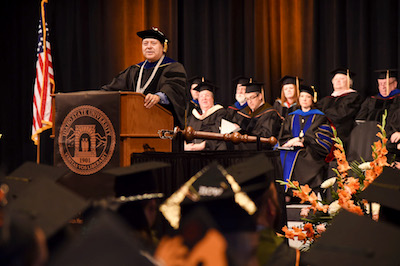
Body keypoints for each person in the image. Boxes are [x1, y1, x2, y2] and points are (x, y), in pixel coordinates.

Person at [101, 27, 187, 128]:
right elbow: (113, 88)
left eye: (153, 43)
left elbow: (174, 88)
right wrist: (97, 97)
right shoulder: (134, 70)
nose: (148, 47)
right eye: (145, 43)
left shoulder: (173, 67)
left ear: (163, 47)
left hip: (161, 127)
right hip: (134, 125)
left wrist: (159, 97)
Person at [279, 85, 334, 197]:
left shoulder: (320, 117)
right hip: (292, 148)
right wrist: (291, 141)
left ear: (312, 99)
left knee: (301, 157)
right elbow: (284, 135)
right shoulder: (291, 116)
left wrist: (303, 140)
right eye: (302, 96)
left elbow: (323, 137)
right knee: (280, 154)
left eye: (307, 97)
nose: (304, 99)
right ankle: (286, 194)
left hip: (312, 150)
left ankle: (303, 194)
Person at [316, 68, 363, 148]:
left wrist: (324, 113)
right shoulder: (326, 99)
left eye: (342, 79)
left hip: (342, 132)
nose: (338, 81)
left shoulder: (353, 97)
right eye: (336, 79)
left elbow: (341, 114)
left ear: (349, 82)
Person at [232, 82, 282, 150]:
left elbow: (266, 135)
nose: (250, 101)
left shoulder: (270, 113)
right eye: (247, 99)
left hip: (261, 152)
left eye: (252, 97)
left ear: (260, 96)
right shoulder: (242, 113)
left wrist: (244, 132)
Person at [185, 82, 227, 151]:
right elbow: (185, 131)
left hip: (212, 150)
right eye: (201, 96)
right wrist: (185, 145)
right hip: (192, 150)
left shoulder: (220, 113)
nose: (204, 98)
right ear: (198, 99)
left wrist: (203, 145)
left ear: (212, 99)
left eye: (207, 95)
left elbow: (218, 133)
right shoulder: (194, 114)